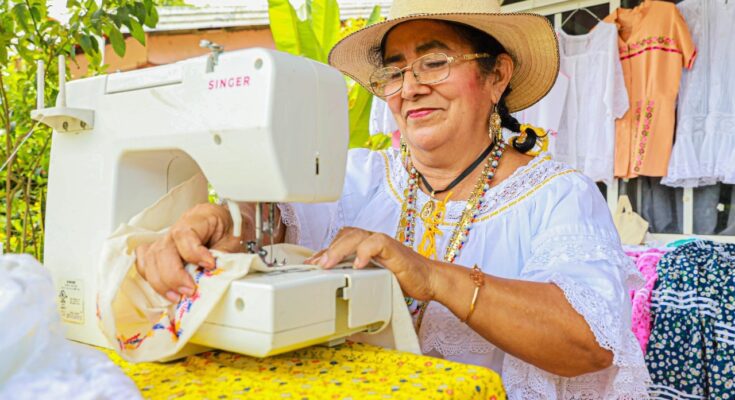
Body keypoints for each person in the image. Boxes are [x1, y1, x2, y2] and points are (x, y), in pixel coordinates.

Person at [135, 0, 651, 397]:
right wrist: (227, 224)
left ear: (496, 75)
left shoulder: (557, 195)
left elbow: (590, 342)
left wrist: (431, 275)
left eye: (434, 62)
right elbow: (275, 226)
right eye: (395, 71)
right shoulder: (359, 178)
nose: (410, 88)